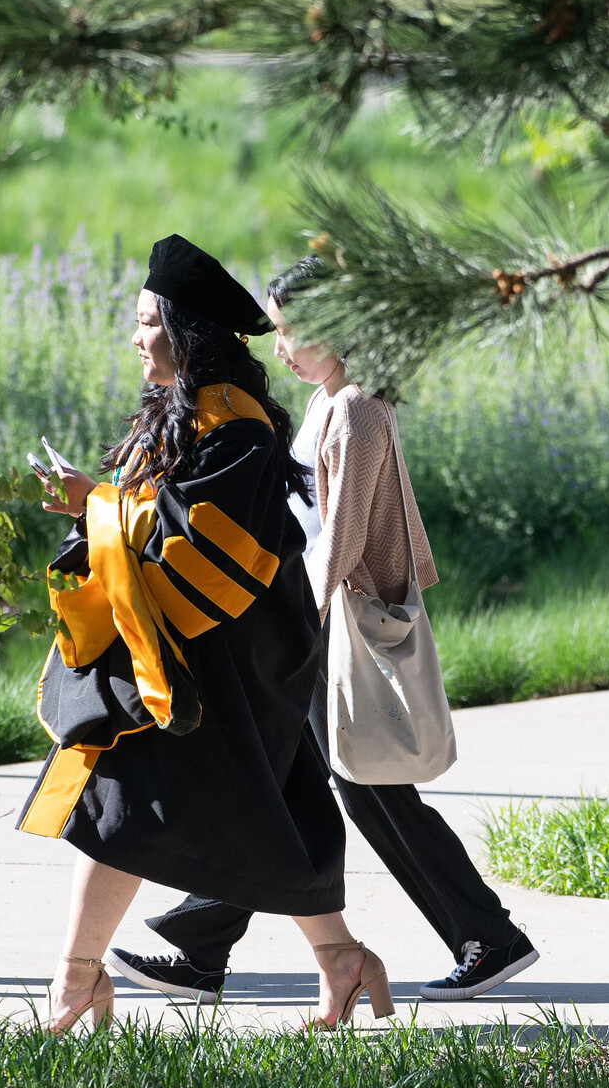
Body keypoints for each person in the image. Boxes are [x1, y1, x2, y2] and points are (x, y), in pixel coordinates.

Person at [106, 258, 539, 1004]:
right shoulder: (325, 402)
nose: (278, 348)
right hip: (315, 620)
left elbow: (341, 535)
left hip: (332, 623)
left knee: (348, 787)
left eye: (289, 331)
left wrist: (292, 622)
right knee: (291, 781)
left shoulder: (359, 409)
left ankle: (487, 936)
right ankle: (205, 945)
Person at [20, 236, 388, 1032]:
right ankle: (341, 958)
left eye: (149, 321)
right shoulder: (182, 414)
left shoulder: (237, 430)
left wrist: (94, 505)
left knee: (125, 798)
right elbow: (153, 524)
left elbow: (203, 553)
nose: (136, 336)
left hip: (228, 658)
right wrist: (96, 505)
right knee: (259, 812)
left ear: (188, 332)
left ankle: (76, 978)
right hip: (198, 653)